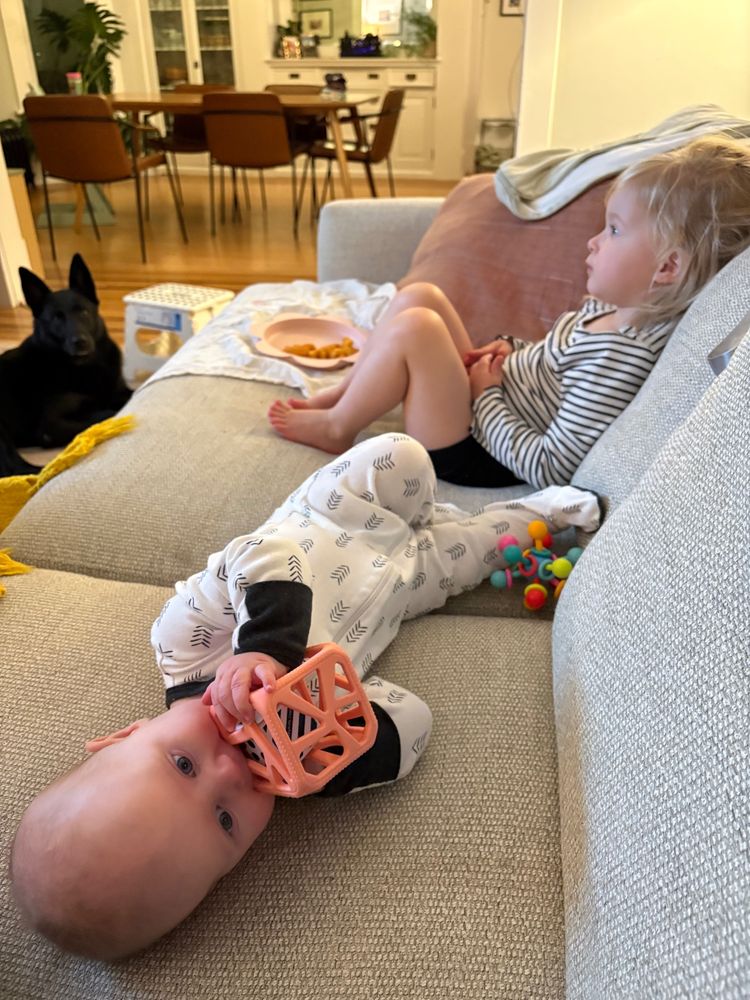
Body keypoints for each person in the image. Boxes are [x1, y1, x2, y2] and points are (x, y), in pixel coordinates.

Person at [11, 433, 600, 961]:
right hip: (410, 585)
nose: (230, 772)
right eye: (224, 820)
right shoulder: (303, 756)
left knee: (401, 457)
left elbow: (263, 553)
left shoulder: (183, 644)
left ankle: (433, 512)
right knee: (487, 548)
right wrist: (332, 758)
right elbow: (413, 719)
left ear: (127, 734)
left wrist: (265, 647)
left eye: (182, 764)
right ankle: (536, 511)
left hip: (337, 516)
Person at [269, 136, 750, 489]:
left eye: (615, 231)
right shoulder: (611, 310)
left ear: (668, 267)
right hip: (487, 405)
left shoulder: (619, 356)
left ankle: (339, 428)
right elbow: (550, 365)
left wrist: (486, 396)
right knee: (421, 296)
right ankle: (343, 396)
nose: (593, 241)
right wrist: (509, 350)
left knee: (419, 327)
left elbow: (550, 466)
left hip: (474, 452)